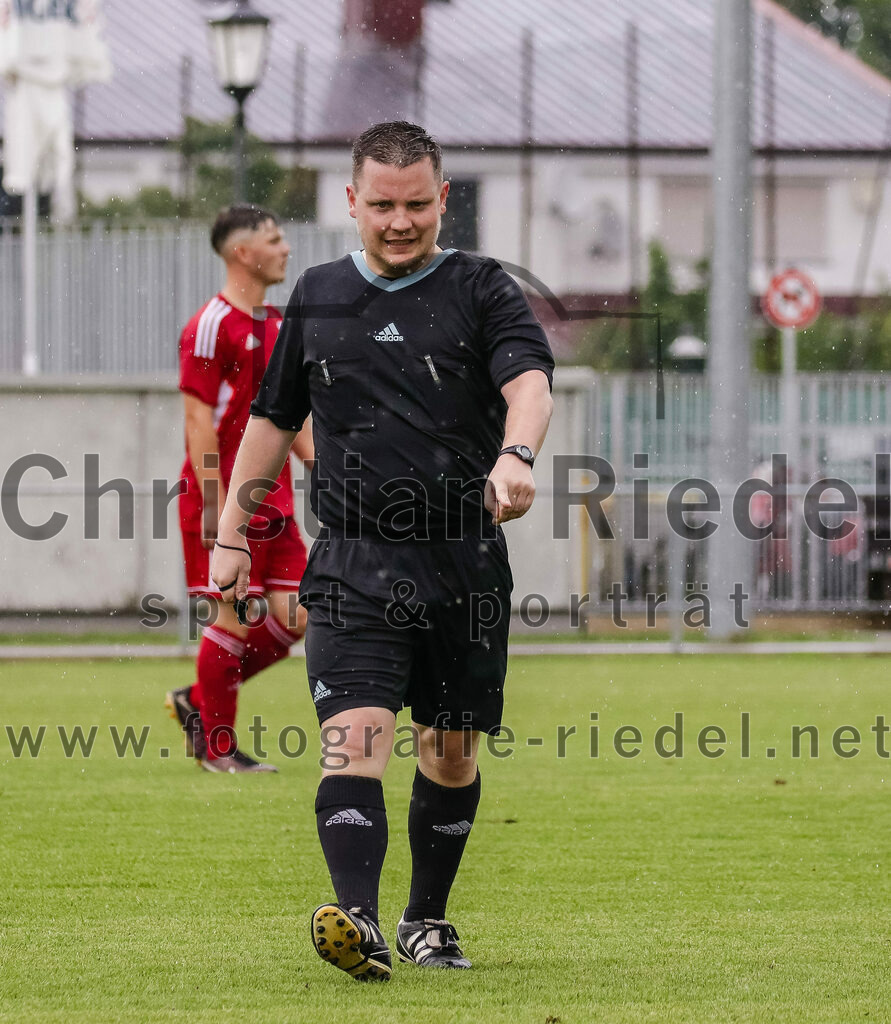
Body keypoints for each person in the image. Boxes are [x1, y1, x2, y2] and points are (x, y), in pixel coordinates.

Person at [211, 122, 554, 977]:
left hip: (462, 561)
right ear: (351, 203)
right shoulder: (320, 295)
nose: (398, 222)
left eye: (414, 206)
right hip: (355, 562)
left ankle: (425, 922)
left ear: (442, 199)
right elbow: (271, 419)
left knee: (449, 749)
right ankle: (355, 920)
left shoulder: (482, 288)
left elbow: (528, 382)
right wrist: (231, 534)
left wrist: (516, 455)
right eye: (381, 206)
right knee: (352, 737)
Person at [166, 204, 313, 774]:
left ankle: (198, 700)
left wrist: (326, 469)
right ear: (242, 253)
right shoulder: (210, 325)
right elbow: (197, 421)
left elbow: (291, 416)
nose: (285, 249)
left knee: (301, 617)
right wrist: (211, 502)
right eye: (274, 240)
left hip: (273, 504)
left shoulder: (276, 325)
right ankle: (218, 750)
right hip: (222, 503)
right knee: (230, 619)